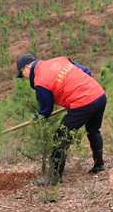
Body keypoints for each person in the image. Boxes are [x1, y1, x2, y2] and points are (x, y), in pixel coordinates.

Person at [16, 53, 107, 185]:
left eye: (21, 74)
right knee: (93, 130)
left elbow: (46, 111)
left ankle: (54, 178)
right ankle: (99, 165)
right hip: (99, 94)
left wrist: (36, 119)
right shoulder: (59, 60)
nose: (24, 78)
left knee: (60, 138)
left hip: (83, 103)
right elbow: (87, 71)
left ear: (26, 68)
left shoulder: (40, 81)